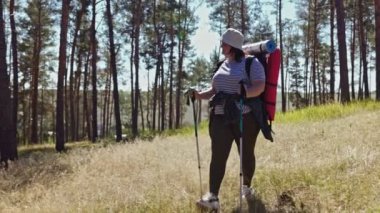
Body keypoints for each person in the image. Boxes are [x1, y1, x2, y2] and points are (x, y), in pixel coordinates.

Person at [193, 28, 266, 211]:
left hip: (244, 117)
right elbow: (214, 90)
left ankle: (247, 188)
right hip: (220, 117)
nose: (221, 46)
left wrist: (245, 91)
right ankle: (213, 197)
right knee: (217, 156)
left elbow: (260, 85)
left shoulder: (251, 63)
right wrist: (198, 95)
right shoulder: (221, 64)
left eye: (224, 43)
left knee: (246, 155)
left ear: (233, 45)